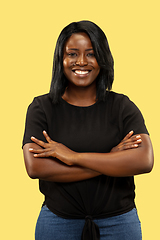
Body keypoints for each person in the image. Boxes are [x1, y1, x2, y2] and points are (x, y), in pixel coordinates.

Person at [22, 20, 154, 240]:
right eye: (72, 54)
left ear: (102, 59)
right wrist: (111, 160)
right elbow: (35, 167)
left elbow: (144, 160)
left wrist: (73, 157)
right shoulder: (41, 108)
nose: (81, 62)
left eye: (91, 54)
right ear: (60, 59)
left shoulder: (122, 107)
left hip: (119, 223)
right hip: (58, 222)